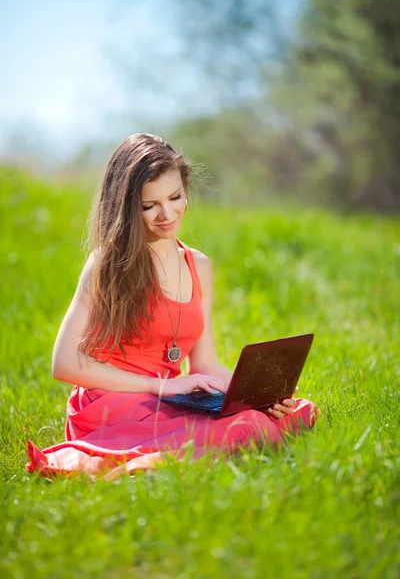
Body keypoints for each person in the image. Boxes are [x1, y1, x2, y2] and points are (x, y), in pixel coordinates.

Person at [26, 133, 319, 480]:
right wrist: (160, 387)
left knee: (281, 414)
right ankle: (134, 463)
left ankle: (167, 455)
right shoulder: (106, 263)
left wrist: (260, 395)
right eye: (150, 205)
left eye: (175, 197)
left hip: (170, 398)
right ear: (125, 206)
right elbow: (64, 365)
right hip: (112, 399)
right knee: (245, 429)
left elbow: (205, 364)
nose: (167, 214)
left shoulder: (199, 266)